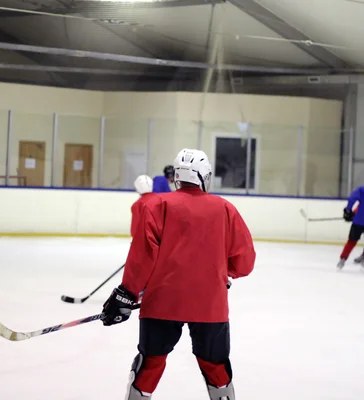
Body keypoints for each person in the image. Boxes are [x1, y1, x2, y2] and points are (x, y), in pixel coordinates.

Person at [101, 148, 256, 400]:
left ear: (177, 177)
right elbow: (245, 262)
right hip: (210, 304)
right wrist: (221, 272)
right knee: (215, 365)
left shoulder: (157, 205)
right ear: (205, 176)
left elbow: (142, 258)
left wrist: (126, 294)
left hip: (161, 302)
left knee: (150, 362)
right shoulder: (225, 209)